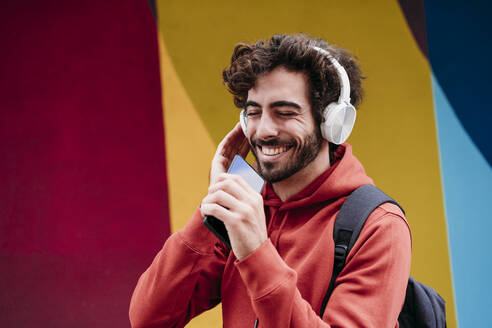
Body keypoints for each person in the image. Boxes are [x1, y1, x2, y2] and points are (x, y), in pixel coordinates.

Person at [129, 34, 411, 328]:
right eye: (253, 112)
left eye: (285, 113)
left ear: (333, 123)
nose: (263, 130)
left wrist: (255, 253)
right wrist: (213, 209)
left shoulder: (380, 227)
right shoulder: (245, 205)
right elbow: (150, 318)